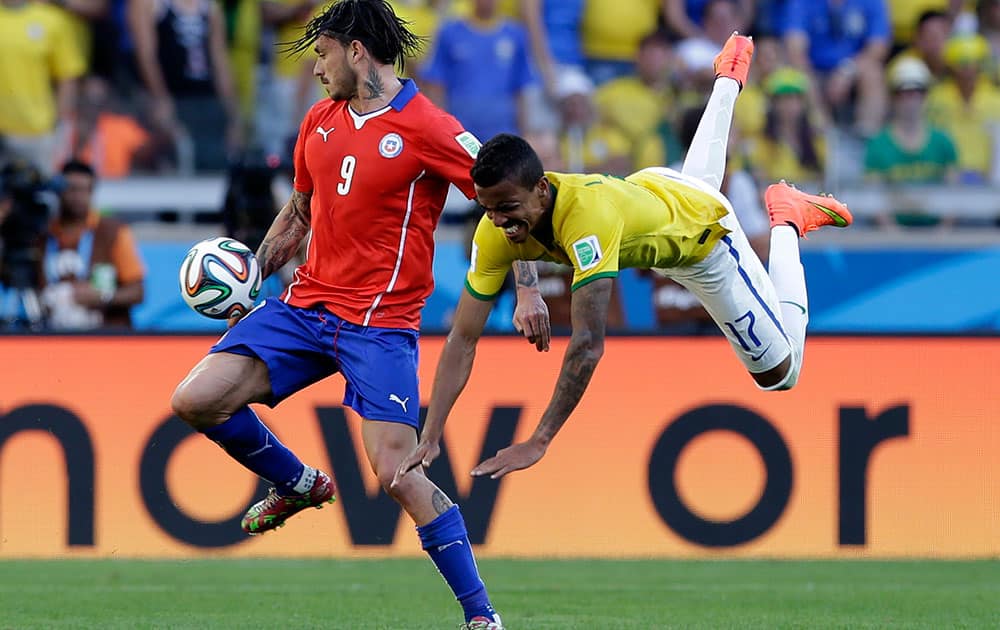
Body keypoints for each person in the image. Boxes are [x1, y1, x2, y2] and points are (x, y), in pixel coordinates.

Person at [168, 2, 547, 628]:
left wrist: (527, 287)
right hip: (306, 306)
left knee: (399, 474)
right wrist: (248, 277)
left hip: (380, 324)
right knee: (195, 399)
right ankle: (298, 483)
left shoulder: (429, 126)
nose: (315, 69)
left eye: (321, 54)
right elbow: (298, 213)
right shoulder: (318, 121)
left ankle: (481, 617)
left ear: (355, 51)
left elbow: (503, 201)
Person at [393, 34, 853, 485]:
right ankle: (728, 77)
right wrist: (432, 434)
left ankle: (787, 219)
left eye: (506, 209)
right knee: (696, 183)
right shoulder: (502, 222)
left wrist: (539, 439)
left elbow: (588, 344)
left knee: (781, 373)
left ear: (541, 189)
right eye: (487, 208)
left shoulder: (586, 224)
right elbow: (462, 338)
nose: (496, 221)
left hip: (704, 242)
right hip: (655, 189)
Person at [40, 160, 145, 329]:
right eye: (72, 189)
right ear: (59, 191)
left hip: (104, 335)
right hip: (52, 335)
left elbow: (138, 292)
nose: (78, 197)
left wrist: (102, 296)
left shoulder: (113, 232)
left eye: (85, 190)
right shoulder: (42, 235)